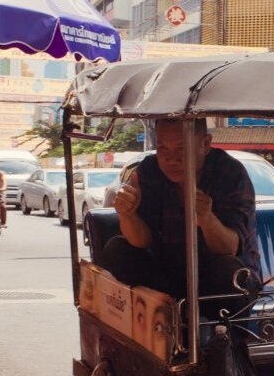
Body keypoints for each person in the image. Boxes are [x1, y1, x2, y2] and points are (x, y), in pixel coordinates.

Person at [105, 118, 259, 321]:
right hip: (167, 276)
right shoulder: (149, 170)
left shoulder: (230, 173)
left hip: (222, 280)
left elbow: (229, 249)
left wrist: (207, 219)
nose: (171, 159)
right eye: (162, 149)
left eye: (181, 149)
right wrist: (128, 215)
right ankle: (160, 323)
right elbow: (142, 241)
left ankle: (214, 340)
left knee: (227, 271)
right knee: (117, 249)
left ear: (205, 144)